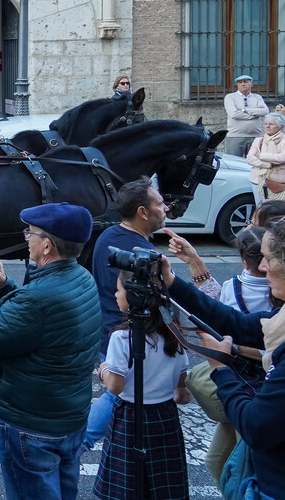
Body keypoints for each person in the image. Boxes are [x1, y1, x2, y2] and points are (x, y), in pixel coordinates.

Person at [0, 202, 100, 500]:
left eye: (30, 233)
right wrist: (2, 285)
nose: (26, 238)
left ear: (47, 246)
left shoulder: (38, 299)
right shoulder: (82, 278)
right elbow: (41, 322)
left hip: (30, 426)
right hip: (68, 416)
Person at [160, 220, 285, 500]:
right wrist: (171, 282)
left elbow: (256, 427)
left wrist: (221, 368)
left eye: (269, 259)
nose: (263, 268)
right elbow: (236, 323)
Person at [84, 179, 171, 451]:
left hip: (108, 330)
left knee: (119, 396)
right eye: (159, 203)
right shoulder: (141, 255)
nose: (166, 208)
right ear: (143, 212)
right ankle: (81, 444)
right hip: (127, 336)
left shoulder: (109, 236)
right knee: (118, 396)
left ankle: (84, 444)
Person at [92, 272, 191, 500]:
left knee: (128, 484)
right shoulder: (174, 334)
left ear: (134, 298)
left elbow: (115, 387)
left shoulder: (122, 337)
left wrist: (104, 369)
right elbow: (181, 380)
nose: (116, 295)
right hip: (165, 415)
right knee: (163, 484)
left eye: (119, 290)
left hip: (130, 416)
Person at [247, 112, 285, 204]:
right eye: (266, 124)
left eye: (271, 124)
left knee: (280, 211)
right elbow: (250, 158)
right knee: (261, 210)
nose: (267, 126)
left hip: (280, 182)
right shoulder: (258, 140)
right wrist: (268, 164)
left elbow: (284, 157)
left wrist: (261, 156)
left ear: (280, 126)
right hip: (258, 180)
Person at [225, 74, 269, 157]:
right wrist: (255, 114)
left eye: (245, 82)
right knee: (235, 163)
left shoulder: (257, 97)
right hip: (236, 136)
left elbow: (265, 111)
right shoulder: (230, 97)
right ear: (237, 85)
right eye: (240, 82)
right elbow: (234, 114)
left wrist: (245, 110)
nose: (243, 84)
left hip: (256, 136)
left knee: (255, 162)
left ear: (251, 84)